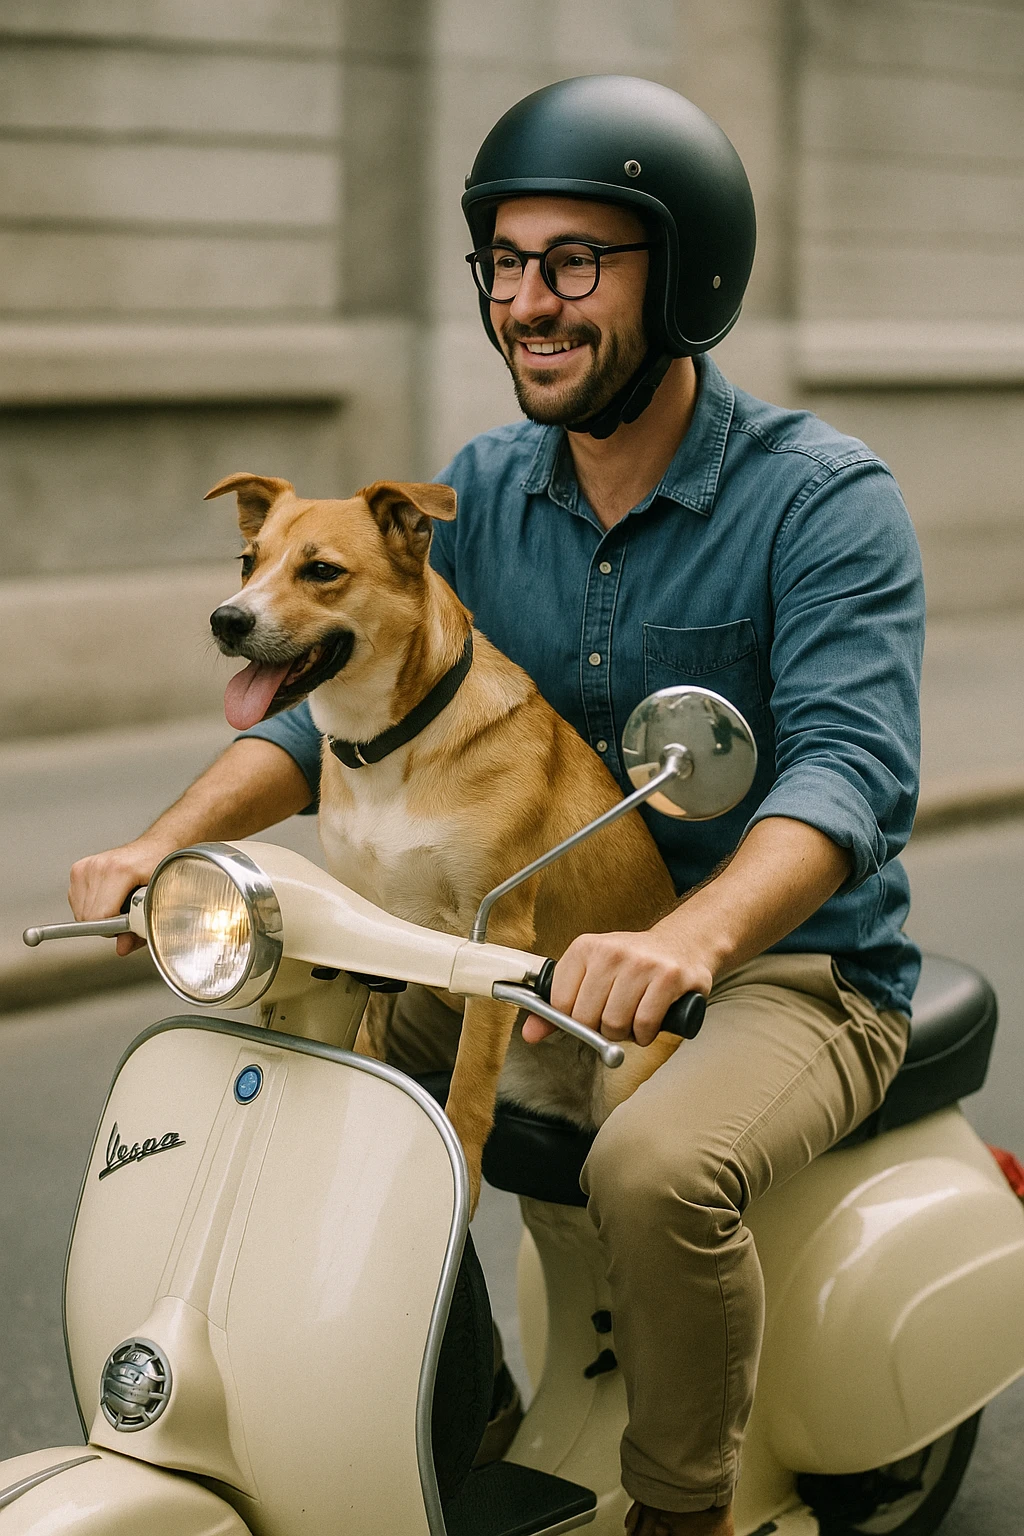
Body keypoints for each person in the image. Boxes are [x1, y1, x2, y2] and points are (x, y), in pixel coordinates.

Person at [70, 76, 924, 1536]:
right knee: (305, 1081)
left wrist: (690, 939)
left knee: (652, 1169)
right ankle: (466, 1424)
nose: (530, 301)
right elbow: (351, 722)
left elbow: (849, 774)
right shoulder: (481, 489)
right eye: (508, 266)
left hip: (788, 969)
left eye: (577, 263)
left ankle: (679, 1509)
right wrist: (168, 841)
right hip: (511, 952)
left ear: (689, 274)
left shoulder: (821, 503)